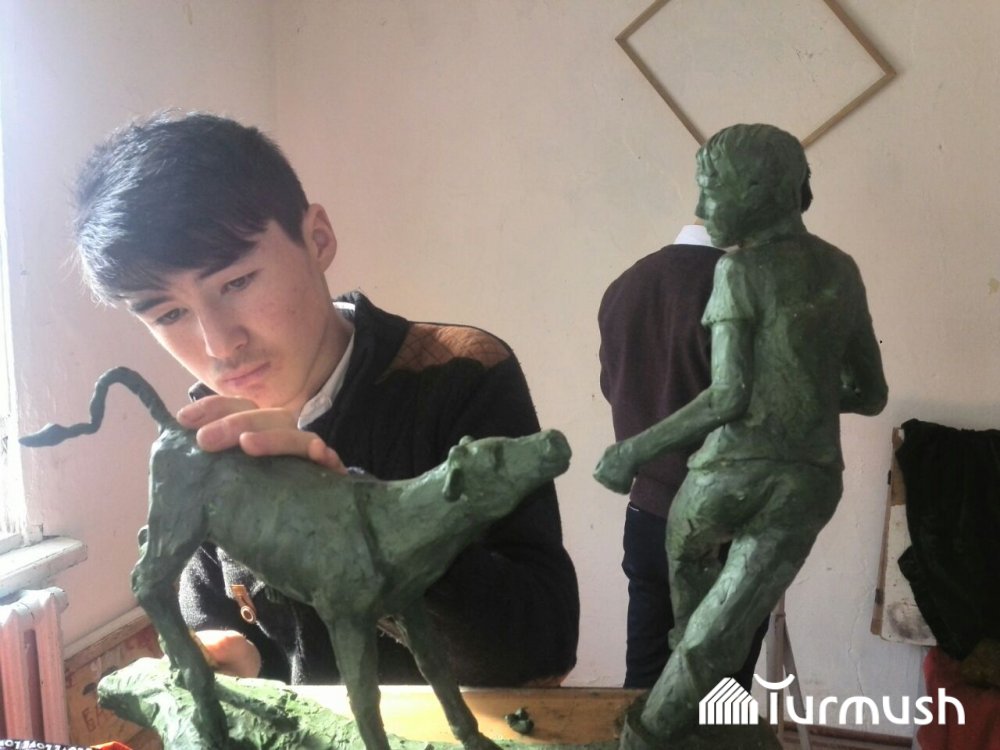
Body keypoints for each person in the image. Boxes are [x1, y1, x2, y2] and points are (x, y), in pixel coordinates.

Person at [72, 111, 580, 688]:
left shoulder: (460, 373)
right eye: (169, 314)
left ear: (317, 239)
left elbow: (538, 651)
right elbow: (224, 629)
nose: (219, 345)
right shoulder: (208, 439)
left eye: (237, 282)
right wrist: (232, 658)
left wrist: (351, 520)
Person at [595, 123, 887, 746]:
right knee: (719, 679)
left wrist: (634, 451)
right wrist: (802, 399)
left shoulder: (627, 287)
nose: (704, 205)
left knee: (650, 669)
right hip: (762, 495)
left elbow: (624, 388)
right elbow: (865, 392)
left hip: (657, 506)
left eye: (712, 189)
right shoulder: (830, 271)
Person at [598, 224, 766, 691]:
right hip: (723, 526)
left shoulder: (624, 286)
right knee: (723, 691)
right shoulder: (744, 289)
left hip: (647, 517)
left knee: (644, 680)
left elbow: (613, 387)